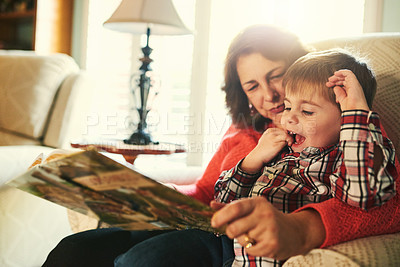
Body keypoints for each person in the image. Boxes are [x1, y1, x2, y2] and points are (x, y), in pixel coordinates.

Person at [42, 25, 400, 267]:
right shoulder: (246, 133)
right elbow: (207, 190)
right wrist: (150, 192)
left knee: (146, 258)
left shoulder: (350, 131)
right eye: (253, 86)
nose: (271, 95)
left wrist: (305, 227)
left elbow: (381, 194)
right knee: (76, 248)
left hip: (225, 238)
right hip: (203, 222)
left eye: (276, 77)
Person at [212, 49, 397, 266]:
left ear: (345, 120)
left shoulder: (346, 157)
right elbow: (222, 200)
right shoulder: (279, 151)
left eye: (307, 112)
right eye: (288, 106)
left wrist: (355, 113)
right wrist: (252, 161)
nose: (288, 118)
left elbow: (362, 195)